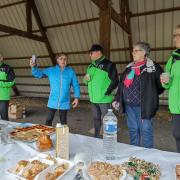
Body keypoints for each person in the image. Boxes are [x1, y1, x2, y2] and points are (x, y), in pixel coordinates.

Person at [113, 42, 164, 148]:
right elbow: (122, 85)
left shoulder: (153, 68)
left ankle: (147, 156)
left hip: (144, 106)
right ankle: (134, 153)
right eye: (133, 50)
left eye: (136, 50)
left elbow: (160, 86)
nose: (133, 53)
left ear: (144, 52)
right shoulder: (129, 68)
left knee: (145, 130)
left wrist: (150, 96)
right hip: (129, 106)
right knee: (133, 129)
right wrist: (117, 98)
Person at [30, 53, 80, 126]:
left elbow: (75, 85)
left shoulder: (70, 72)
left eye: (65, 59)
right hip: (53, 100)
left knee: (63, 122)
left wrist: (77, 97)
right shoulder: (51, 70)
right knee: (48, 119)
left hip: (64, 101)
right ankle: (47, 135)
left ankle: (63, 136)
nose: (63, 60)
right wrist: (34, 67)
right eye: (61, 59)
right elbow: (38, 74)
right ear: (57, 60)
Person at [84, 44, 119, 138]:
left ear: (98, 52)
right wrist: (85, 79)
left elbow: (115, 81)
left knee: (107, 119)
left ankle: (108, 138)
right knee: (96, 118)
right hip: (93, 99)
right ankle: (96, 136)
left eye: (91, 53)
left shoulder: (109, 64)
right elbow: (86, 81)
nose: (89, 55)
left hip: (104, 99)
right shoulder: (90, 66)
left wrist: (107, 92)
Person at [160, 25, 180, 152]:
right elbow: (167, 81)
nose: (176, 38)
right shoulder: (173, 58)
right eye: (175, 35)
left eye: (179, 35)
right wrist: (165, 81)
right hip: (175, 106)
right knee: (177, 135)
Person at [0, 53, 15, 120]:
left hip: (3, 97)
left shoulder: (8, 68)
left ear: (2, 58)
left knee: (4, 118)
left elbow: (11, 82)